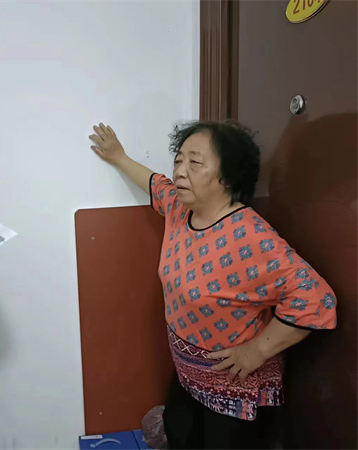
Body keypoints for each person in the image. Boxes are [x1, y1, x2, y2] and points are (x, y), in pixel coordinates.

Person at [89, 121, 337, 449]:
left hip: (233, 389)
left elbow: (317, 300)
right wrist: (118, 157)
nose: (180, 171)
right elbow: (156, 185)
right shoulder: (180, 208)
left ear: (228, 176)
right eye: (178, 160)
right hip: (187, 375)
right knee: (178, 434)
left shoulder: (251, 237)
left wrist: (258, 350)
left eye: (195, 162)